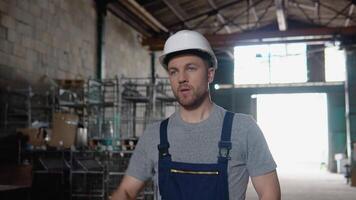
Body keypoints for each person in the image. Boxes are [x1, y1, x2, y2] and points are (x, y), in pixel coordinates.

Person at [112, 30, 281, 200]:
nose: (181, 78)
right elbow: (126, 192)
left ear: (210, 74)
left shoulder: (243, 129)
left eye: (191, 68)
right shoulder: (154, 135)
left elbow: (270, 193)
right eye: (173, 71)